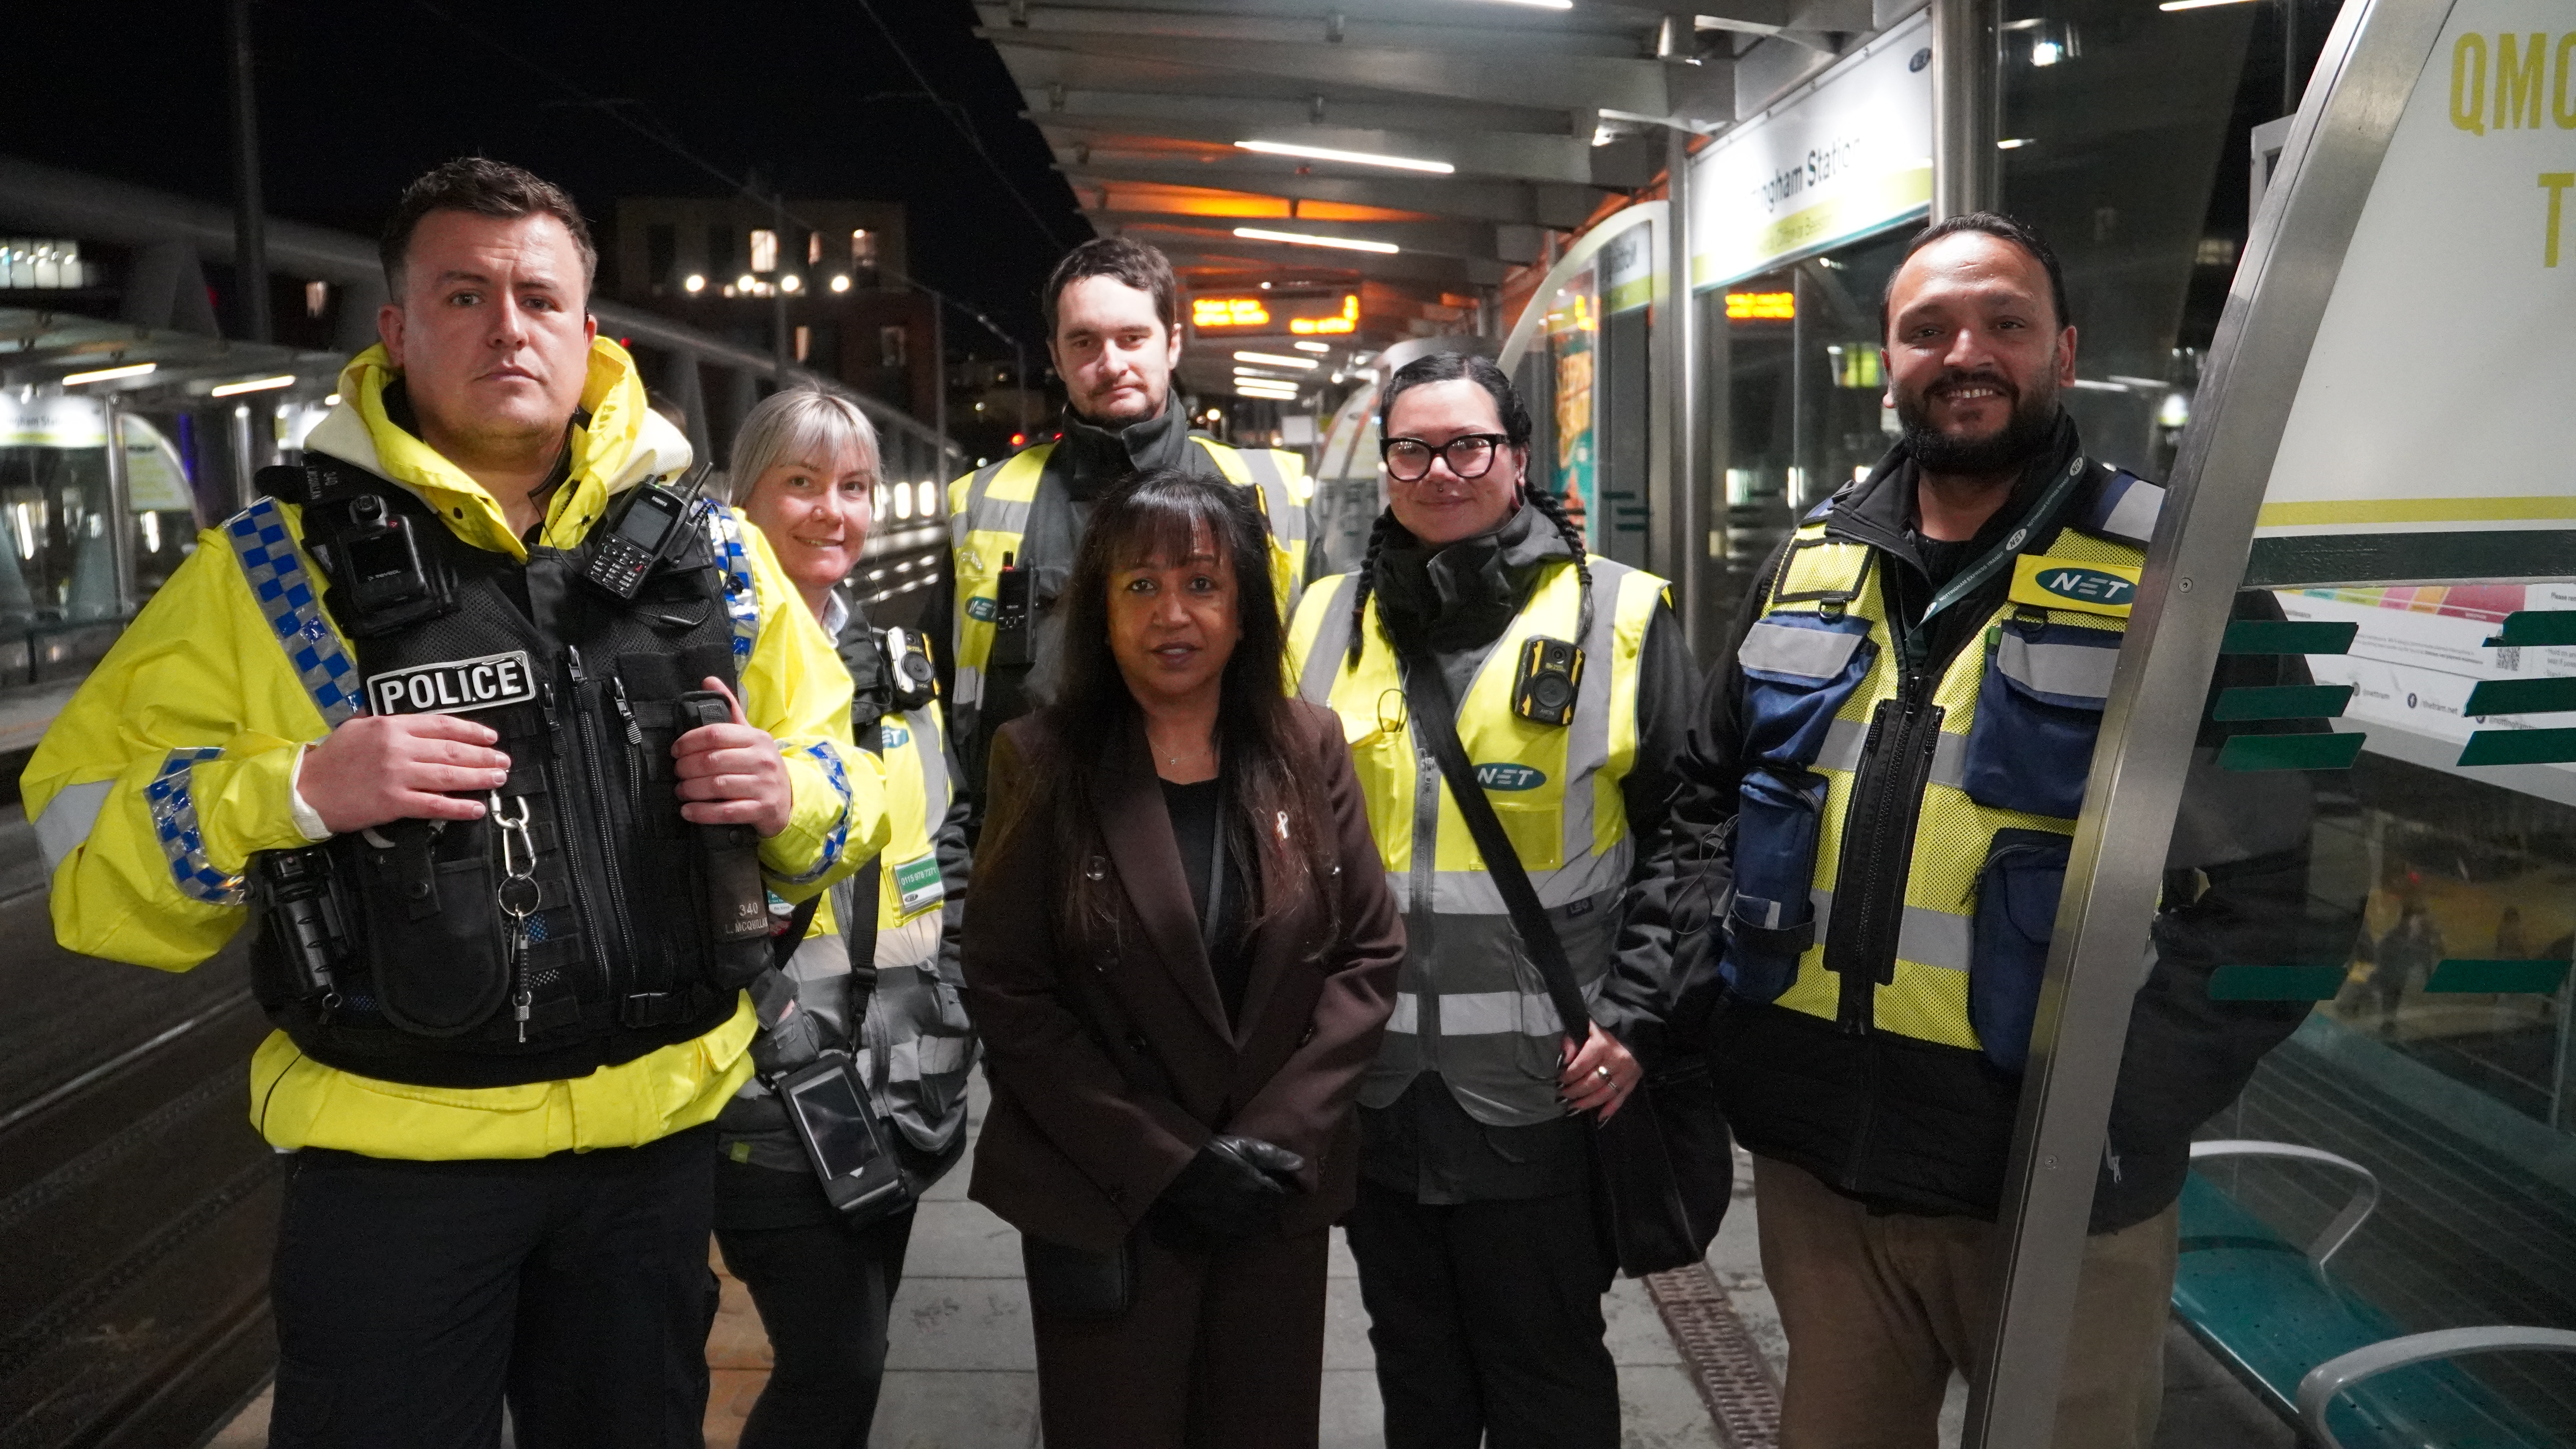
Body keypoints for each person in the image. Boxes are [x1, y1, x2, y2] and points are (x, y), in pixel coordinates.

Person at [23, 158, 879, 1448]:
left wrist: (793, 788)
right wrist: (299, 789)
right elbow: (85, 849)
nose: (506, 326)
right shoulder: (272, 569)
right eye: (463, 295)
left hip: (649, 1161)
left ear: (590, 333)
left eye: (538, 295)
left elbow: (849, 779)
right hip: (396, 1176)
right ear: (396, 329)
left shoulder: (709, 551)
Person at [1668, 212, 2317, 1448]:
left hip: (2059, 1185)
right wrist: (1721, 1021)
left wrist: (2124, 1108)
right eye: (1929, 329)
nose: (1967, 352)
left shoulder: (2183, 578)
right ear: (1890, 360)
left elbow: (2275, 895)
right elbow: (1706, 799)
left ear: (2063, 351)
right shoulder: (1808, 559)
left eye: (2004, 323)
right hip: (1823, 1174)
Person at [1284, 352, 1701, 1448]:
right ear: (1385, 468)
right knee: (1415, 1379)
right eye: (1411, 449)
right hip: (1374, 1093)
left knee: (1545, 1376)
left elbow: (1690, 836)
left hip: (1541, 1095)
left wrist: (1638, 1015)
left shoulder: (1618, 614)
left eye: (1468, 445)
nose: (1440, 470)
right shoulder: (1323, 619)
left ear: (1518, 459)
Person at [961, 468, 1404, 1448]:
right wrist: (1169, 1160)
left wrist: (1276, 1140)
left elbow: (1368, 952)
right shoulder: (1040, 758)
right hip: (1110, 1193)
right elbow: (1008, 987)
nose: (1174, 614)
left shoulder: (1307, 743)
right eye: (1140, 586)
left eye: (1202, 584)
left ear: (1244, 608)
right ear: (1101, 613)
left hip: (1268, 1193)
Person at [714, 387, 977, 1448]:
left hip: (903, 1068)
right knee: (836, 1364)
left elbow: (943, 836)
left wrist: (951, 988)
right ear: (747, 500)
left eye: (855, 487)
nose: (835, 511)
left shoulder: (894, 659)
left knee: (857, 1371)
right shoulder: (710, 664)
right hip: (771, 1080)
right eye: (803, 483)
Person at [929, 236, 1313, 802]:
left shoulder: (1264, 494)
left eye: (1133, 338)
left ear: (1172, 344)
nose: (1111, 364)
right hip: (1040, 840)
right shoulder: (984, 502)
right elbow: (937, 705)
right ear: (1057, 358)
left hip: (1229, 824)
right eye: (1084, 342)